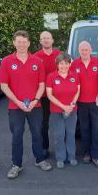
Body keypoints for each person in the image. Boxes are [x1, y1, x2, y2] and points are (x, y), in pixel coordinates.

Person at [0, 30, 52, 179]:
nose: (22, 44)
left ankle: (40, 160)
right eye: (19, 42)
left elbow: (42, 84)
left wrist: (35, 100)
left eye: (24, 42)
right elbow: (4, 85)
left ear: (28, 43)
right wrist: (18, 102)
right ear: (14, 43)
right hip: (16, 107)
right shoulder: (7, 61)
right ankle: (16, 164)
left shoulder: (37, 61)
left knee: (37, 134)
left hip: (35, 106)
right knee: (17, 136)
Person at [71, 41, 98, 168]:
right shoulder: (74, 64)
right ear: (78, 51)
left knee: (97, 129)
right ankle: (87, 153)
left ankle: (97, 155)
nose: (84, 52)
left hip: (96, 102)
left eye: (86, 49)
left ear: (91, 50)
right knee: (84, 129)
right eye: (82, 50)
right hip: (81, 102)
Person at [46, 52, 80, 169]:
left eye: (66, 63)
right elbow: (50, 95)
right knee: (59, 135)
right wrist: (63, 106)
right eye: (61, 64)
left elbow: (77, 91)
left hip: (72, 110)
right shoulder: (51, 76)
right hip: (56, 111)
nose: (63, 66)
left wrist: (72, 104)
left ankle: (71, 156)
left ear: (70, 64)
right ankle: (60, 157)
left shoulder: (75, 75)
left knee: (70, 134)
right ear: (57, 64)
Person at [34, 31, 60, 159]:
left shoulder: (60, 55)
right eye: (43, 38)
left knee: (61, 123)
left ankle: (62, 148)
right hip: (43, 96)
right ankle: (44, 148)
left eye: (48, 38)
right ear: (40, 41)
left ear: (52, 40)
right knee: (43, 124)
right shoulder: (35, 57)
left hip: (59, 96)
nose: (46, 40)